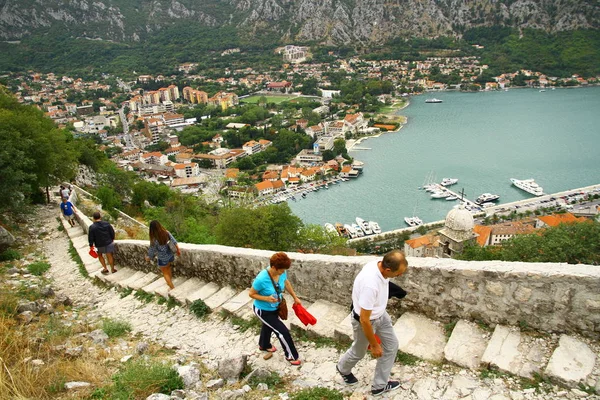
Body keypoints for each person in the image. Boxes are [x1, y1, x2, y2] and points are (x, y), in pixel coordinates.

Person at [336, 250, 408, 397]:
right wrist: (374, 344)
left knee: (391, 346)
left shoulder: (376, 265)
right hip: (366, 321)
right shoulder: (370, 284)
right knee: (359, 351)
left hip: (381, 315)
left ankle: (379, 386)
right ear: (388, 269)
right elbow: (364, 319)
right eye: (398, 273)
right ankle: (343, 368)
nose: (399, 276)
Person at [249, 252, 302, 366]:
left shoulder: (281, 272)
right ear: (274, 267)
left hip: (275, 308)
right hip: (263, 310)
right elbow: (251, 294)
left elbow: (286, 283)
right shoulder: (261, 279)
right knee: (282, 332)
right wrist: (266, 298)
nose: (283, 272)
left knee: (268, 326)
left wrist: (295, 297)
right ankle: (291, 356)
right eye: (281, 270)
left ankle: (264, 345)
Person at [144, 220, 180, 290]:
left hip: (162, 258)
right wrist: (178, 250)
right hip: (170, 255)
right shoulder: (166, 232)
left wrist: (148, 258)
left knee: (165, 273)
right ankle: (170, 283)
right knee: (168, 268)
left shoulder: (154, 239)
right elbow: (174, 241)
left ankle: (172, 287)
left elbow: (151, 251)